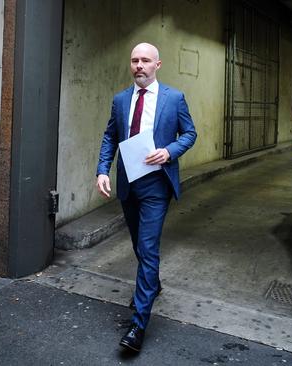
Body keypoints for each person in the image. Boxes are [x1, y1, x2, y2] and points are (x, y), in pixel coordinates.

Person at [96, 42, 197, 352]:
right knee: (139, 243)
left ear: (157, 65)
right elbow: (110, 136)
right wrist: (102, 170)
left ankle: (138, 326)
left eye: (145, 61)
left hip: (157, 186)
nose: (139, 66)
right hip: (128, 184)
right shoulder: (120, 100)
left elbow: (190, 134)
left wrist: (169, 152)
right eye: (134, 60)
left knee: (148, 247)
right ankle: (152, 284)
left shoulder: (174, 98)